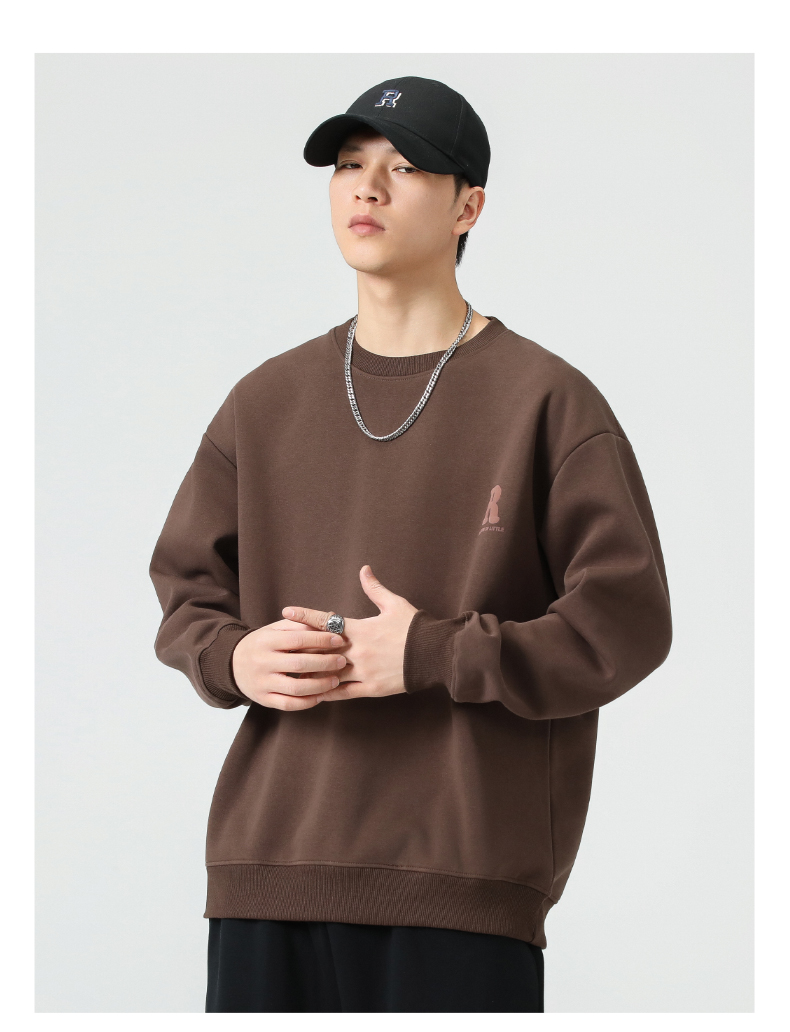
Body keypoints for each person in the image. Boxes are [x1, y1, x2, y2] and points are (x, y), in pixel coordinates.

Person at [149, 75, 672, 1013]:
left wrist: (434, 653)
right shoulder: (265, 401)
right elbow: (188, 590)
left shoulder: (548, 402)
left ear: (470, 206)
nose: (367, 187)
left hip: (459, 883)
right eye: (350, 165)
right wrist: (234, 658)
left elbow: (625, 623)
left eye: (406, 168)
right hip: (268, 868)